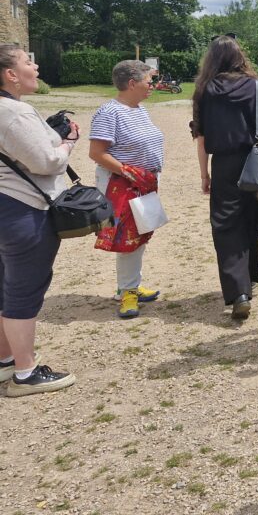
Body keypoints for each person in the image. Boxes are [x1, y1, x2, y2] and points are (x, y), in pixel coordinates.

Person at [0, 45, 77, 396]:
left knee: (6, 285)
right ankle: (26, 373)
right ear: (10, 74)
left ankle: (6, 359)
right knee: (24, 289)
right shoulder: (14, 111)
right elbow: (47, 162)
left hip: (5, 206)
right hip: (23, 209)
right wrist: (68, 142)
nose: (36, 66)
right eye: (28, 62)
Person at [192, 36, 258, 321]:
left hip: (225, 164)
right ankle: (249, 277)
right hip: (256, 158)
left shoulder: (204, 90)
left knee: (226, 225)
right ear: (240, 56)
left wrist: (204, 174)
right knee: (251, 218)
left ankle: (239, 291)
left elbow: (201, 137)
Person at [89, 60, 165, 319]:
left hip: (142, 182)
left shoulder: (139, 109)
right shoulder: (109, 112)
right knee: (128, 238)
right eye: (149, 81)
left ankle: (129, 284)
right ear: (132, 83)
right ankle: (128, 292)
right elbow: (96, 152)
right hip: (122, 184)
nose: (152, 85)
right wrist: (128, 172)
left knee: (139, 234)